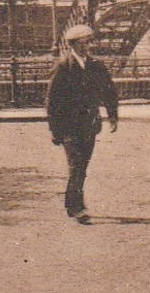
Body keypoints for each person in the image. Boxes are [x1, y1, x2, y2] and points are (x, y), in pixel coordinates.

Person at [44, 24, 119, 224]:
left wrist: (112, 115)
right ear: (74, 45)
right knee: (76, 165)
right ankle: (77, 207)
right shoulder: (63, 67)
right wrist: (55, 130)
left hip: (89, 125)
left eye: (89, 42)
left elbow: (109, 91)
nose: (89, 46)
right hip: (69, 127)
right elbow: (52, 101)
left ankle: (73, 203)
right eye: (84, 43)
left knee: (82, 166)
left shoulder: (96, 66)